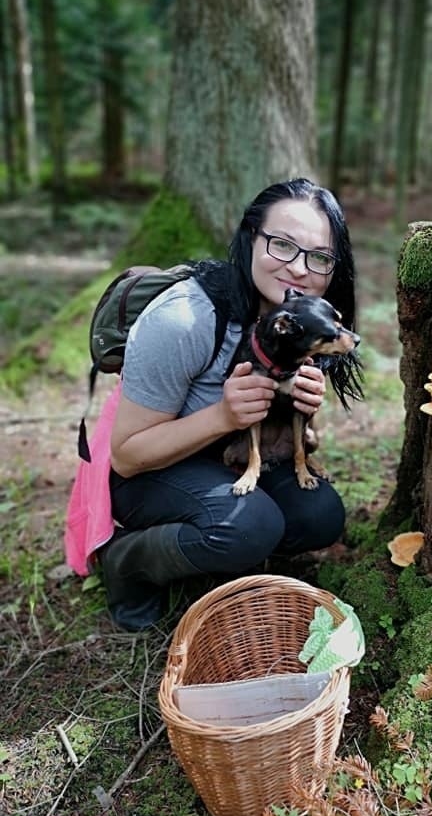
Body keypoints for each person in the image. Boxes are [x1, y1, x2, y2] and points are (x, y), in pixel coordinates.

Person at [95, 178, 363, 631]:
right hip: (150, 472)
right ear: (249, 238)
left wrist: (304, 425)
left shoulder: (303, 324)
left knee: (320, 516)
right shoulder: (184, 320)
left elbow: (286, 422)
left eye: (318, 257)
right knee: (248, 524)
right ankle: (128, 562)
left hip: (232, 459)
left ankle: (225, 556)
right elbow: (126, 456)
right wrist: (223, 414)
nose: (299, 269)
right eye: (281, 245)